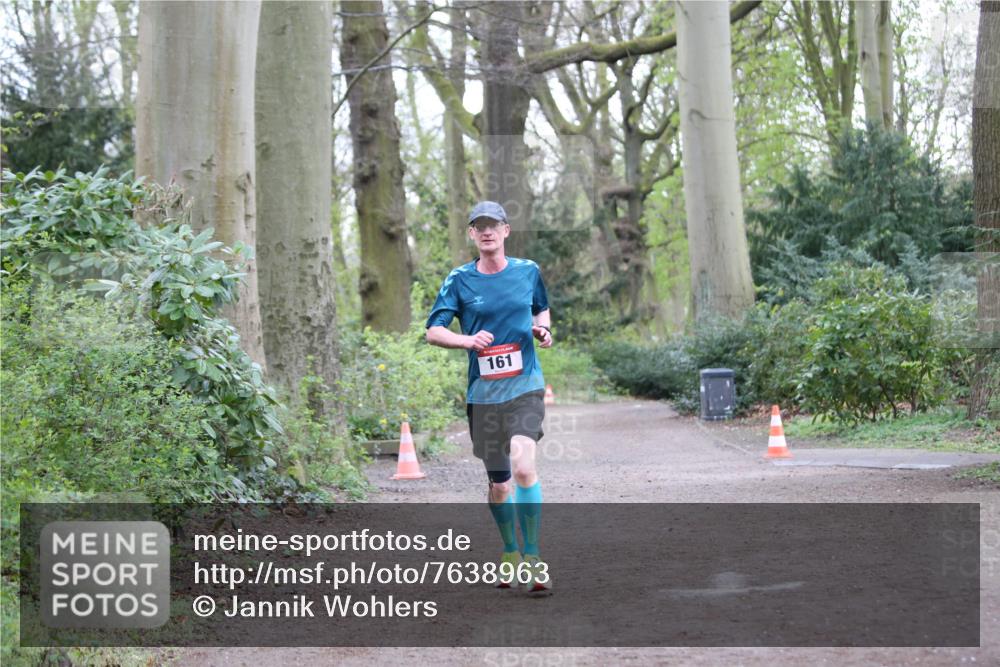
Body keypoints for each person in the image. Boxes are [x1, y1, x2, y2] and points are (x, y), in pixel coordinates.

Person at [425, 200, 553, 594]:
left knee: (524, 467)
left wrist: (543, 332)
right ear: (472, 233)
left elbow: (542, 311)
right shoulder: (459, 280)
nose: (487, 231)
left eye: (493, 225)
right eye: (479, 226)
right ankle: (510, 551)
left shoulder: (528, 271)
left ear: (506, 231)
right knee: (499, 485)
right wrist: (467, 340)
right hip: (484, 396)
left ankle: (532, 558)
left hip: (525, 385)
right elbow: (433, 330)